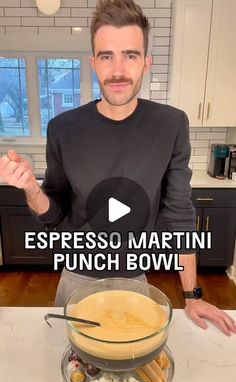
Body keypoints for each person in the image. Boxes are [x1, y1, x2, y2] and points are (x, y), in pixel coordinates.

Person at [0, 0, 235, 336]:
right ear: (94, 63)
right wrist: (31, 189)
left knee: (130, 373)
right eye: (107, 56)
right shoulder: (63, 128)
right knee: (70, 371)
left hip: (134, 280)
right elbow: (53, 215)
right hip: (75, 279)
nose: (118, 70)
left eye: (131, 55)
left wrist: (191, 295)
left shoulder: (171, 126)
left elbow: (179, 215)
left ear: (146, 63)